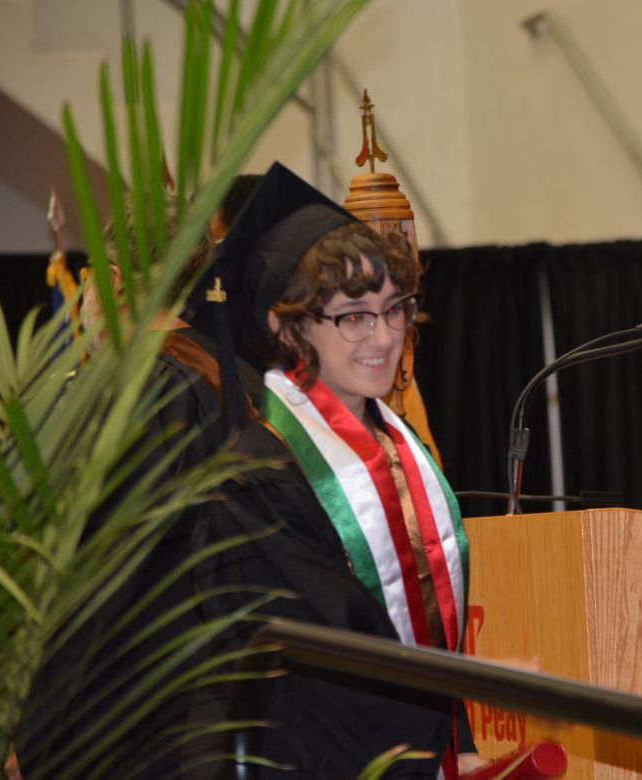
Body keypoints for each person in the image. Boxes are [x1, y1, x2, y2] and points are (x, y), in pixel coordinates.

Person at [185, 161, 481, 778]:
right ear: (287, 327)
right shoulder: (254, 481)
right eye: (353, 316)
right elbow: (326, 674)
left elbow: (423, 621)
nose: (384, 337)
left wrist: (459, 741)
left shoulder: (402, 447)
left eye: (395, 308)